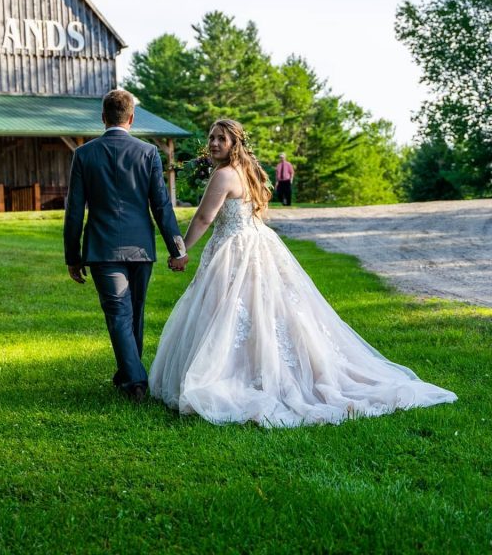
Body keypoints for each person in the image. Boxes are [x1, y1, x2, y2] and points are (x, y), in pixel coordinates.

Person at [149, 119, 456, 427]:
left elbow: (204, 217)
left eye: (222, 139)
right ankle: (260, 366)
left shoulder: (224, 174)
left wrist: (181, 250)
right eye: (212, 138)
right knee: (259, 311)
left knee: (231, 311)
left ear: (235, 144)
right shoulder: (249, 171)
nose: (214, 143)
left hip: (236, 250)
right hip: (257, 244)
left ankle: (239, 373)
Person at [64, 89, 188, 403]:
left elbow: (75, 210)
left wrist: (73, 257)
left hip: (103, 247)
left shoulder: (84, 154)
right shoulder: (148, 153)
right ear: (131, 118)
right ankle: (129, 374)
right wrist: (177, 248)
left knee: (120, 313)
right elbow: (161, 206)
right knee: (132, 312)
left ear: (103, 117)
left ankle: (134, 380)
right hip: (141, 247)